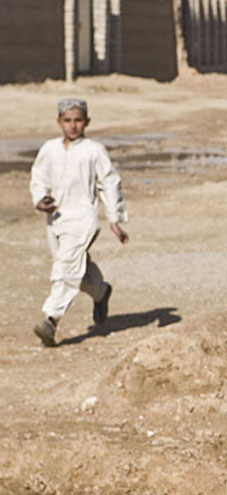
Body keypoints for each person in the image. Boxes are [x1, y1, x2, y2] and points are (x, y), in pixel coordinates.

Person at [29, 98, 129, 347]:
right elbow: (38, 177)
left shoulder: (93, 150)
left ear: (87, 122)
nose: (73, 126)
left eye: (78, 120)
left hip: (84, 219)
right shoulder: (49, 149)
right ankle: (101, 291)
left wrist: (114, 218)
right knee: (75, 268)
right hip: (57, 220)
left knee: (65, 269)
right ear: (59, 122)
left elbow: (109, 182)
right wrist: (40, 199)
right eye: (67, 120)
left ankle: (51, 321)